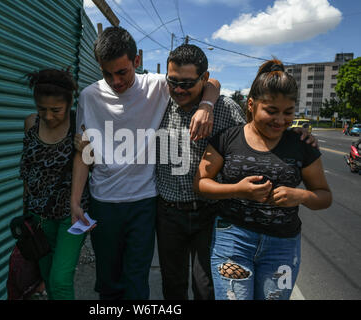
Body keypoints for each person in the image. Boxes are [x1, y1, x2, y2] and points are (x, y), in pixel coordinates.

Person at [70, 26, 220, 300]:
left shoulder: (158, 86)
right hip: (103, 202)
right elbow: (84, 151)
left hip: (144, 203)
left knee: (136, 281)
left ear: (136, 60)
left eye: (122, 72)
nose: (115, 81)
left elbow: (210, 83)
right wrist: (75, 201)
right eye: (107, 73)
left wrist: (206, 107)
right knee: (108, 281)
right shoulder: (88, 97)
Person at [193, 59, 332, 300]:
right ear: (251, 104)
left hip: (282, 246)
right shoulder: (228, 138)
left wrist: (301, 195)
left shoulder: (302, 145)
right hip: (233, 239)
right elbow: (201, 182)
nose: (280, 120)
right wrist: (236, 190)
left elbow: (324, 196)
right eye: (271, 111)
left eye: (288, 112)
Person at [155, 44, 246, 300]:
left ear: (204, 79)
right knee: (172, 284)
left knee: (206, 287)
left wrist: (297, 136)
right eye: (173, 82)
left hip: (212, 214)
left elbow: (252, 145)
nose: (179, 90)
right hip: (168, 213)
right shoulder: (158, 103)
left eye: (187, 83)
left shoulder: (226, 110)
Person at [19, 68, 90, 300]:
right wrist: (26, 213)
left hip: (72, 216)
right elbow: (27, 170)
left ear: (69, 103)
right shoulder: (31, 123)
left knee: (60, 280)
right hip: (39, 217)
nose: (48, 116)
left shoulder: (79, 126)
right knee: (48, 277)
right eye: (42, 109)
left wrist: (75, 203)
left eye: (56, 110)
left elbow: (88, 165)